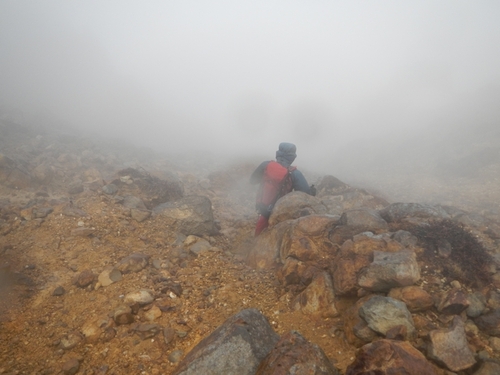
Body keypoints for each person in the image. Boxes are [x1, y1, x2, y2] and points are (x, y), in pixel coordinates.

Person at [250, 142, 315, 236]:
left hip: (261, 204)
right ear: (292, 157)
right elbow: (305, 194)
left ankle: (256, 239)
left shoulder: (266, 164)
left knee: (262, 225)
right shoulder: (294, 173)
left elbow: (252, 181)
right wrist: (312, 191)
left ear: (278, 153)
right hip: (279, 210)